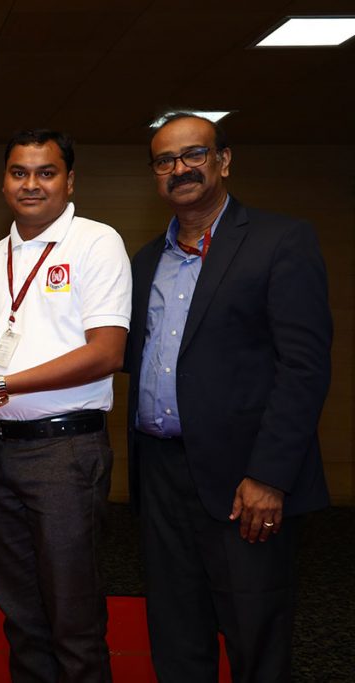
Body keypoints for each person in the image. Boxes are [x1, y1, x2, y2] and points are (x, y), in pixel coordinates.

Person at [125, 112, 332, 681]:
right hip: (161, 475)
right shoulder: (145, 260)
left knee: (255, 637)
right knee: (176, 634)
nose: (180, 169)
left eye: (193, 154)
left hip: (246, 480)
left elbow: (304, 367)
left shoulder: (280, 241)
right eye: (165, 161)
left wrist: (269, 475)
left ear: (224, 160)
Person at [0, 130, 130, 682]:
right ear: (3, 182)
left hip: (65, 451)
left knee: (73, 616)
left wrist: (4, 383)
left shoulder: (96, 242)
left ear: (69, 182)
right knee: (20, 613)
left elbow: (106, 353)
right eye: (19, 172)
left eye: (46, 172)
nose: (31, 184)